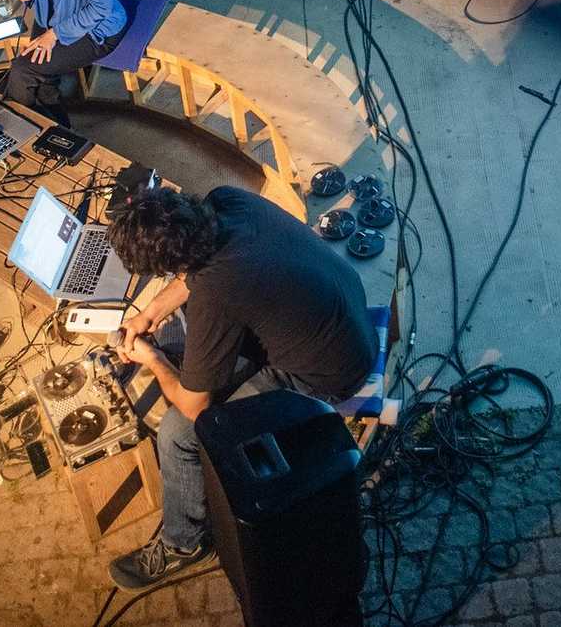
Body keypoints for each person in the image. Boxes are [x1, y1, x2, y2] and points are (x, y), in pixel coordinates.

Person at [104, 184, 378, 590]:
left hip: (330, 373)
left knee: (179, 433)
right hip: (337, 317)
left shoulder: (216, 289)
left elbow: (196, 410)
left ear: (169, 265)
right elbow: (199, 276)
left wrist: (155, 361)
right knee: (184, 336)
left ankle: (183, 544)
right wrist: (152, 311)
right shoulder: (225, 200)